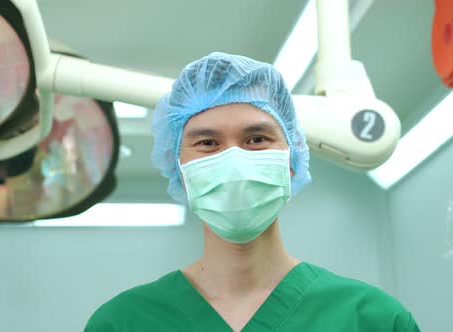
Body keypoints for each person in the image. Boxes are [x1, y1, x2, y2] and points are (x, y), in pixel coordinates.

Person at [84, 52, 420, 332]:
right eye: (207, 143)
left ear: (291, 158)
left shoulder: (372, 320)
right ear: (180, 169)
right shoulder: (123, 323)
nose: (233, 160)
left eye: (256, 139)